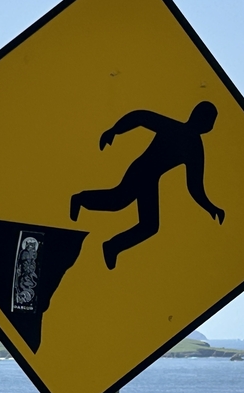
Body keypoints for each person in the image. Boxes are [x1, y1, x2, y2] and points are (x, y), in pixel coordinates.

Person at [70, 101, 225, 269]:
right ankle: (81, 200)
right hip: (141, 170)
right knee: (118, 201)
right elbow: (140, 117)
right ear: (199, 118)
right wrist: (114, 130)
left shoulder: (194, 148)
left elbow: (194, 186)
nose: (210, 125)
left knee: (148, 225)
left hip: (150, 179)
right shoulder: (175, 129)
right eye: (209, 120)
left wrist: (210, 207)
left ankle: (112, 246)